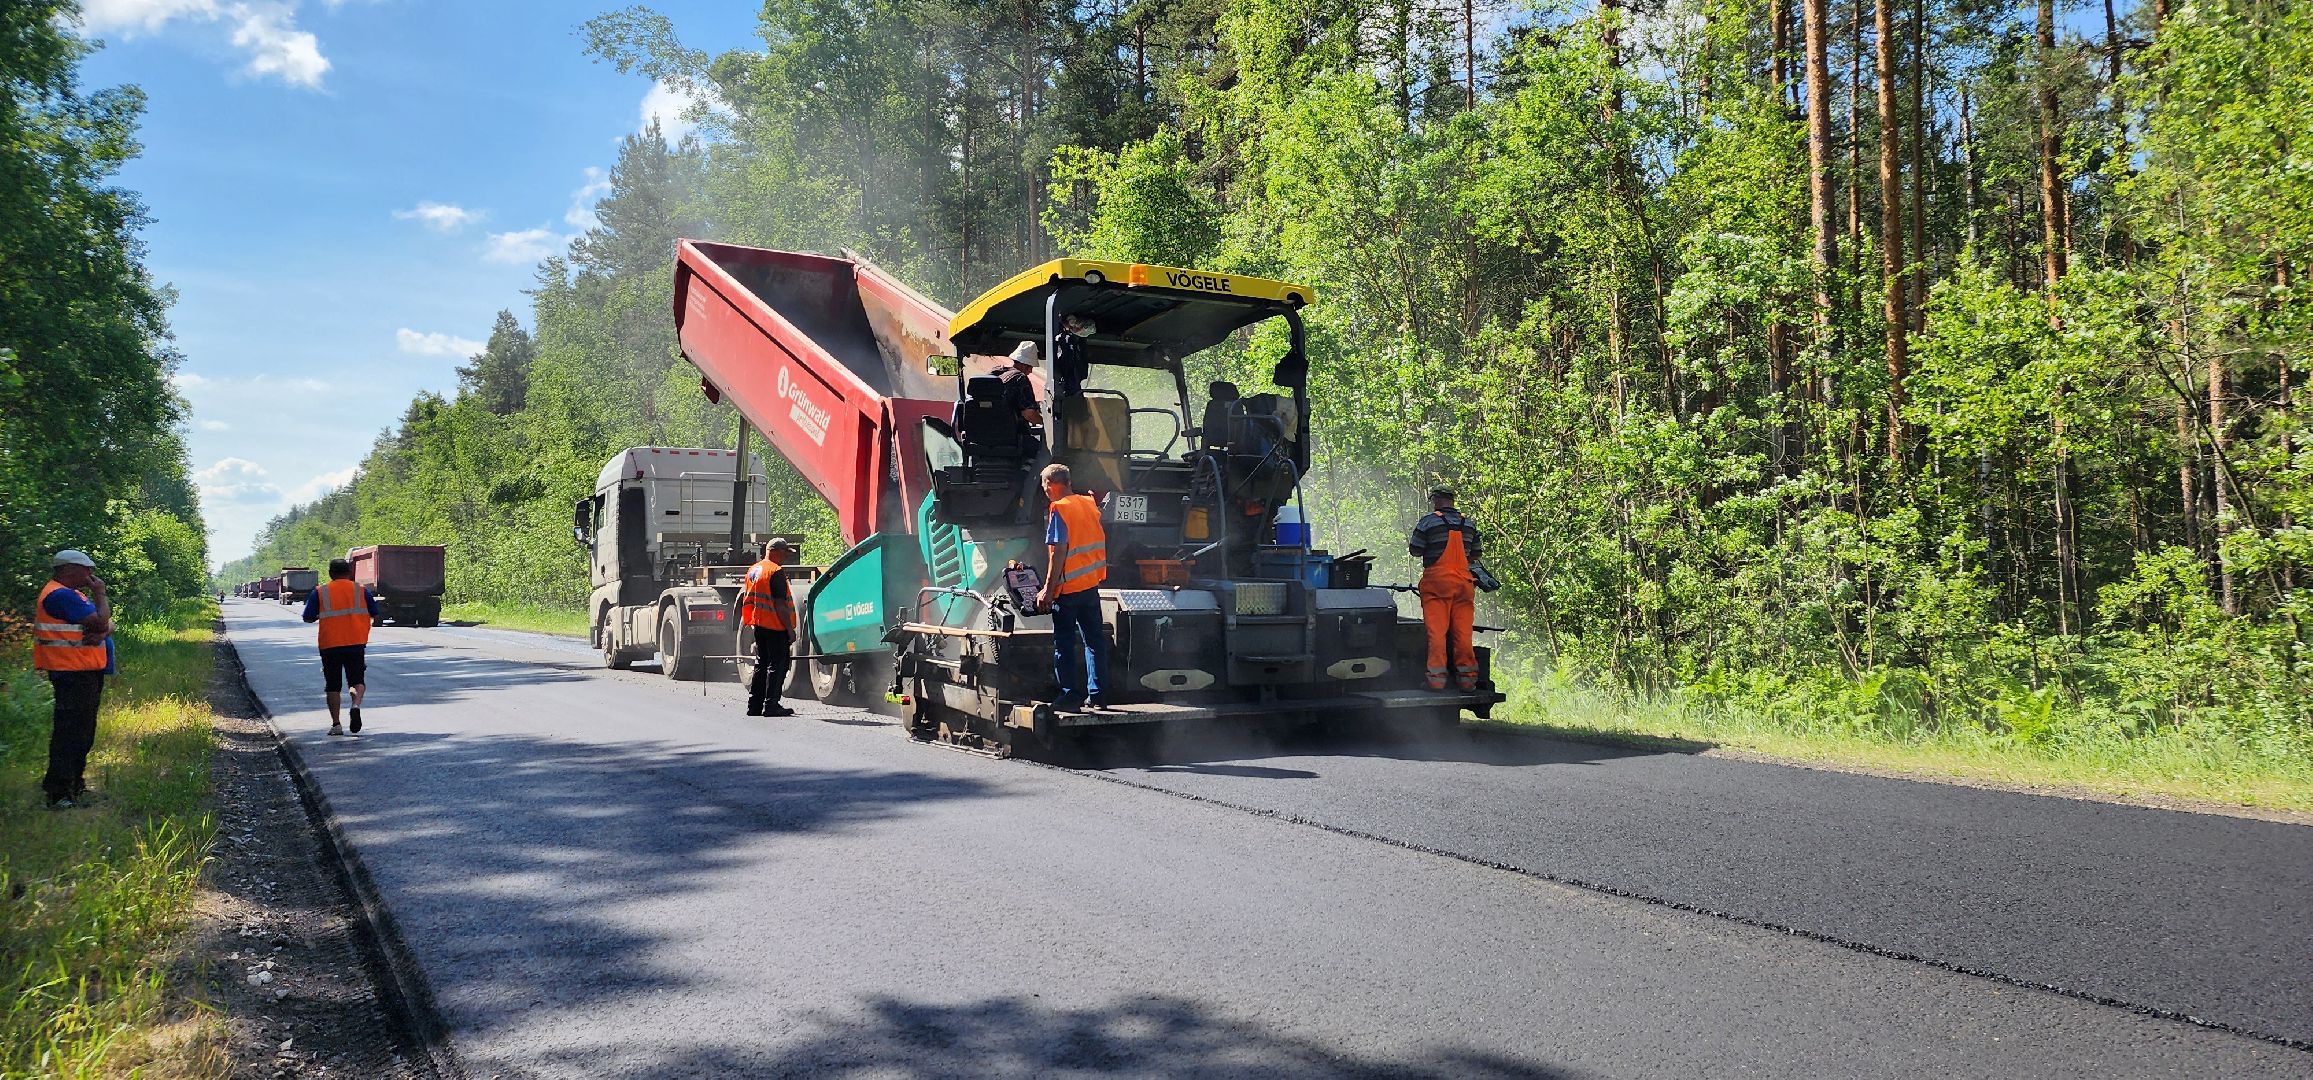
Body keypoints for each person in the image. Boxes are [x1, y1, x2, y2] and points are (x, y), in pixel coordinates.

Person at [34, 550, 113, 809]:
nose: (91, 574)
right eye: (86, 569)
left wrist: (102, 633)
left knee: (82, 732)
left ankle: (74, 786)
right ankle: (58, 793)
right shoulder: (59, 595)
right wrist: (100, 594)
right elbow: (102, 620)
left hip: (84, 671)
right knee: (70, 733)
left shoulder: (74, 595)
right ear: (68, 569)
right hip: (71, 673)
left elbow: (107, 624)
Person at [1038, 463, 1110, 711]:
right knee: (1094, 642)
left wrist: (1048, 589)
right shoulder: (1088, 504)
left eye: (1044, 485)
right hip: (1090, 586)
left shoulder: (1059, 509)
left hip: (1067, 592)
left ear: (1051, 484)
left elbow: (1058, 553)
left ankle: (1069, 697)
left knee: (1065, 645)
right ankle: (1098, 695)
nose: (1044, 491)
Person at [1408, 487, 1482, 692]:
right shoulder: (1469, 523)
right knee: (1463, 634)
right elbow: (1475, 554)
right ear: (1453, 501)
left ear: (1437, 500)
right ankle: (1468, 681)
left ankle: (1436, 680)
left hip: (1437, 585)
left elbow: (1415, 550)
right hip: (1464, 585)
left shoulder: (1429, 522)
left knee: (1437, 634)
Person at [302, 558, 379, 736]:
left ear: (330, 573)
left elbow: (307, 617)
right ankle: (355, 704)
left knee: (333, 685)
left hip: (330, 645)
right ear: (349, 572)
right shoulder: (362, 591)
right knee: (356, 682)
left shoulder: (320, 592)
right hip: (356, 643)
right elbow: (374, 613)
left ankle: (336, 725)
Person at [739, 537, 800, 717]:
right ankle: (771, 705)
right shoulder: (775, 571)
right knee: (777, 665)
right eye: (784, 553)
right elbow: (780, 604)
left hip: (758, 624)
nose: (786, 557)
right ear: (775, 552)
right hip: (775, 625)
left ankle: (754, 706)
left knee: (761, 664)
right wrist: (789, 629)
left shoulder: (754, 570)